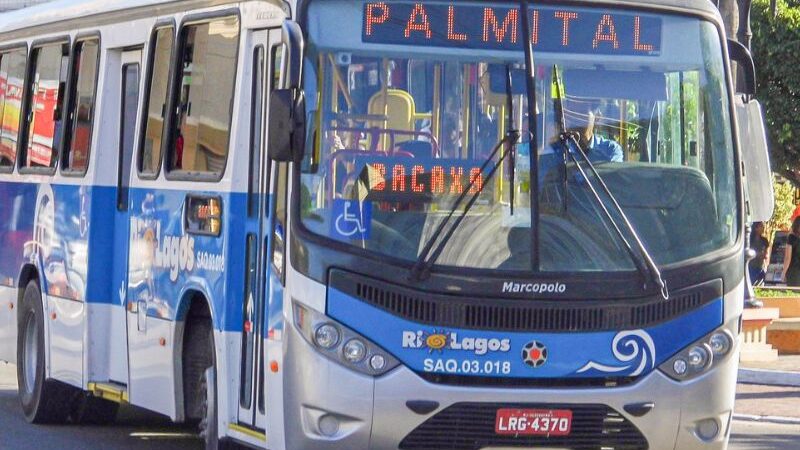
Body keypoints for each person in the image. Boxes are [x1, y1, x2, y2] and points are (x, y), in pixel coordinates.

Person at [749, 221, 769, 286]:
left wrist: (765, 255)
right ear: (756, 228)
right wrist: (757, 254)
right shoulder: (750, 240)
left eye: (763, 226)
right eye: (761, 226)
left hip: (761, 267)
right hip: (751, 267)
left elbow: (766, 254)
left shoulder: (764, 240)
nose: (763, 228)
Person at [782, 217, 800, 286]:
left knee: (792, 293)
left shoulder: (791, 238)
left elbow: (787, 258)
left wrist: (783, 273)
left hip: (793, 272)